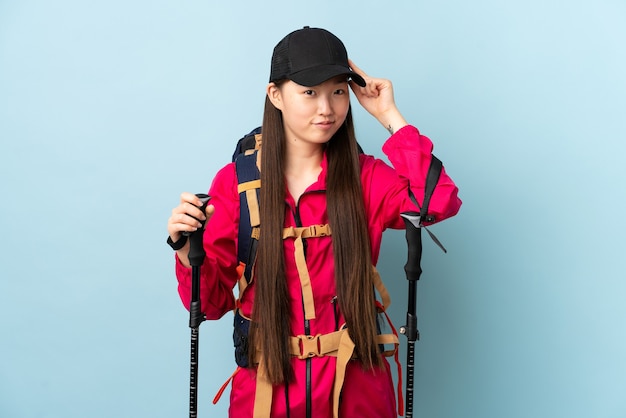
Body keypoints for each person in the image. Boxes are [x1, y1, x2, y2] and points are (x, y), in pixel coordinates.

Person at [167, 26, 461, 418]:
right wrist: (187, 249)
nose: (327, 107)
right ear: (275, 96)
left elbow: (437, 201)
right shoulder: (236, 184)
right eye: (309, 92)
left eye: (338, 91)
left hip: (358, 392)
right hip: (266, 394)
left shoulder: (366, 178)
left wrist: (389, 115)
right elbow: (210, 303)